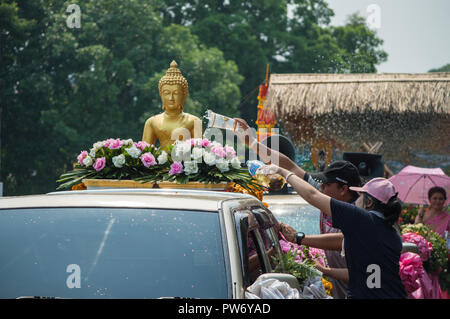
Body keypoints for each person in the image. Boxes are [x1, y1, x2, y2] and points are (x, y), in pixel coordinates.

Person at [233, 118, 361, 299]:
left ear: (343, 189)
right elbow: (291, 165)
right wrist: (252, 143)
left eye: (327, 183)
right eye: (321, 183)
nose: (321, 187)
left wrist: (300, 238)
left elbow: (342, 240)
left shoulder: (359, 213)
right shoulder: (329, 196)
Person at [259, 164, 407, 299]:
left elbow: (313, 196)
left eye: (361, 196)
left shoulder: (362, 219)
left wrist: (283, 171)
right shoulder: (391, 234)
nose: (357, 200)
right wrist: (301, 241)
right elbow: (354, 264)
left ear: (369, 203)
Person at [142, 60, 202, 149]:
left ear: (184, 96)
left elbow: (199, 153)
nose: (171, 98)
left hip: (185, 161)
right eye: (166, 93)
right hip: (160, 162)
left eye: (176, 93)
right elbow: (144, 153)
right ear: (161, 95)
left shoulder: (194, 121)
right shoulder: (152, 122)